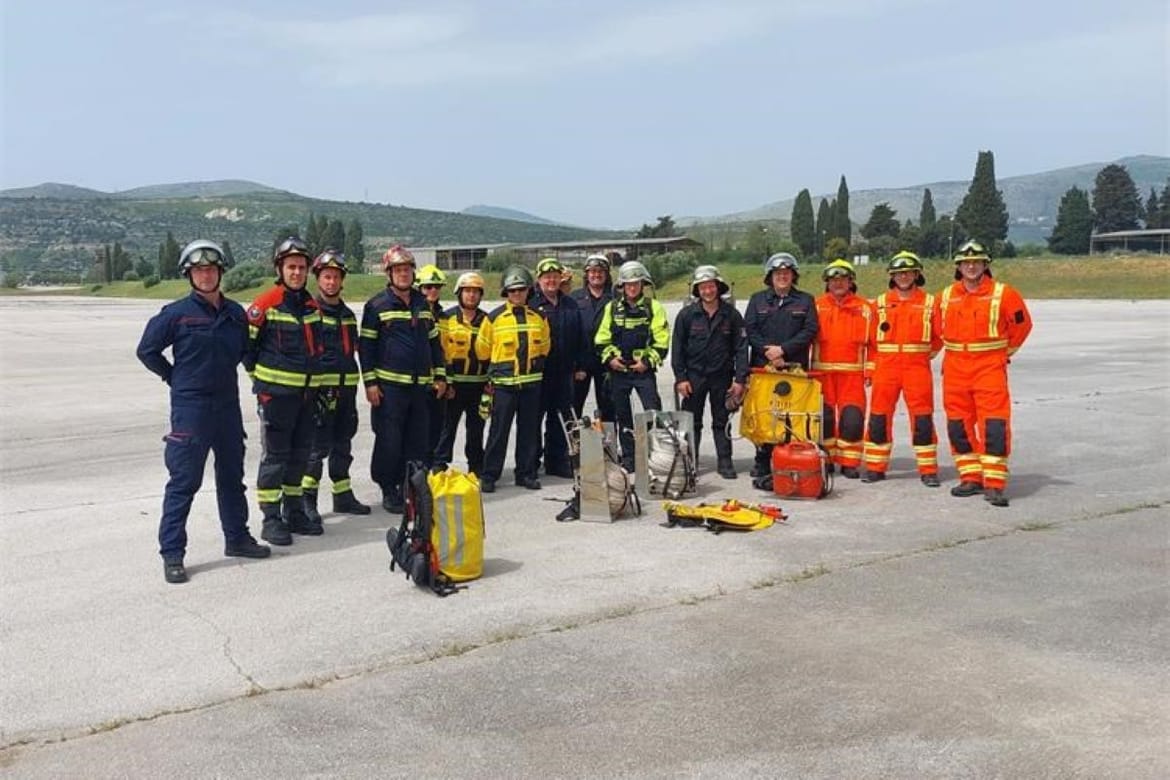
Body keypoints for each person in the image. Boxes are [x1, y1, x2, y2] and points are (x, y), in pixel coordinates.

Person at [137, 240, 270, 583]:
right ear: (189, 275)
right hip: (191, 409)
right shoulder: (176, 314)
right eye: (199, 270)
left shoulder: (235, 314)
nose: (206, 275)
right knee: (184, 482)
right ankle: (172, 553)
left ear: (220, 272)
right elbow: (147, 350)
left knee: (232, 478)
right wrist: (173, 377)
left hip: (227, 407)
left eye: (211, 269)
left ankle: (237, 538)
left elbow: (245, 352)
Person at [937, 241, 1033, 507]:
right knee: (958, 425)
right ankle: (970, 477)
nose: (971, 266)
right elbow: (934, 328)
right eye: (966, 262)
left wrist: (1004, 353)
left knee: (994, 425)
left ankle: (994, 483)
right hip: (955, 368)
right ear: (958, 266)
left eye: (976, 262)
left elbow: (1022, 326)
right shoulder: (945, 296)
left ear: (985, 265)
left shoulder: (1004, 294)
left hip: (989, 368)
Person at [244, 236, 322, 545]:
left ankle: (294, 512)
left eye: (302, 267)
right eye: (291, 267)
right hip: (276, 398)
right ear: (280, 269)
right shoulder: (265, 304)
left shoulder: (311, 306)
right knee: (275, 459)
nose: (297, 273)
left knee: (299, 457)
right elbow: (247, 349)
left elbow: (315, 350)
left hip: (306, 397)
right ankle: (271, 518)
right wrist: (263, 385)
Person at [359, 246, 447, 513]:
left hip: (419, 388)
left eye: (407, 269)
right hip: (390, 390)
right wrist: (370, 383)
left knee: (417, 441)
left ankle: (411, 488)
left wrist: (440, 375)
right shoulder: (376, 305)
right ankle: (389, 488)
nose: (403, 274)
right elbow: (366, 348)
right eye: (398, 270)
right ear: (389, 273)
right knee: (390, 442)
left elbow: (434, 344)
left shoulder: (422, 304)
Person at [300, 248, 371, 528]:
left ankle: (342, 495)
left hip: (347, 391)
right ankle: (307, 500)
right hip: (321, 392)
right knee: (316, 449)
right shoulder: (310, 312)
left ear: (342, 280)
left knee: (343, 443)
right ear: (318, 279)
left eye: (335, 277)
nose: (331, 282)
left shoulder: (348, 315)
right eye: (326, 277)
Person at [860, 251, 943, 486]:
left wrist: (923, 355)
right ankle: (875, 467)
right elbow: (871, 342)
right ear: (892, 276)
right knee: (878, 417)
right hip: (886, 368)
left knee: (922, 418)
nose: (903, 276)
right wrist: (870, 370)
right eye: (898, 273)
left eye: (908, 272)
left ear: (917, 274)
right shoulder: (879, 304)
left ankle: (928, 470)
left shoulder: (930, 303)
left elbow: (939, 337)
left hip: (917, 369)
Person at [743, 252, 819, 478]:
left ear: (793, 275)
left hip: (794, 368)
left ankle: (791, 458)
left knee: (792, 416)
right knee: (764, 415)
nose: (782, 277)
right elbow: (750, 330)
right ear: (770, 276)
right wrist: (769, 352)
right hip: (763, 369)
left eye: (786, 273)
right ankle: (762, 459)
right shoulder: (757, 300)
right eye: (778, 273)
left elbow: (810, 330)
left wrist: (783, 350)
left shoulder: (805, 300)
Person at [476, 265, 550, 493]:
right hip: (503, 388)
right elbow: (482, 351)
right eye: (512, 290)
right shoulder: (494, 319)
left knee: (528, 432)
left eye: (521, 289)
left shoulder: (539, 317)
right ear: (505, 292)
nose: (517, 294)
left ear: (529, 290)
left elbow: (545, 348)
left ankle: (525, 474)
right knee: (498, 433)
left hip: (530, 386)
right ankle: (489, 475)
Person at [671, 265, 748, 479]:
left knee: (721, 421)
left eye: (711, 286)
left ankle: (725, 462)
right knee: (691, 422)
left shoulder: (732, 315)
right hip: (693, 377)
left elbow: (742, 349)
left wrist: (740, 379)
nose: (707, 291)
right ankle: (690, 462)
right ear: (697, 290)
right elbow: (677, 349)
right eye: (703, 287)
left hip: (722, 377)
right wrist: (681, 378)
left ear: (718, 287)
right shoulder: (686, 316)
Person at [595, 260, 670, 472]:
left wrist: (646, 362)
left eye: (636, 283)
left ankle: (655, 456)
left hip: (643, 371)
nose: (632, 287)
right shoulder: (612, 308)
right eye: (628, 284)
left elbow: (662, 340)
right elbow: (601, 339)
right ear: (622, 286)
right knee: (622, 415)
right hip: (618, 372)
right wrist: (611, 359)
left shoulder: (653, 307)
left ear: (643, 284)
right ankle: (629, 459)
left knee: (653, 412)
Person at [811, 259, 873, 479]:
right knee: (824, 419)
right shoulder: (816, 307)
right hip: (822, 374)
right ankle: (826, 459)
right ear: (827, 282)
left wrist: (870, 370)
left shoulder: (865, 308)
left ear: (851, 281)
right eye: (833, 280)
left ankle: (849, 462)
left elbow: (874, 344)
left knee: (852, 419)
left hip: (852, 375)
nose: (838, 283)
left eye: (843, 279)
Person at [529, 257, 581, 479]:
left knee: (560, 419)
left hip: (564, 372)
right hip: (539, 374)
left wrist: (580, 365)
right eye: (547, 277)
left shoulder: (570, 304)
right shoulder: (531, 305)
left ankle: (556, 462)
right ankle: (531, 462)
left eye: (555, 276)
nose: (551, 281)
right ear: (539, 280)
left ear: (561, 279)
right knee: (534, 419)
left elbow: (580, 337)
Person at [435, 271, 488, 475]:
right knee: (447, 428)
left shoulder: (487, 321)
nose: (471, 295)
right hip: (454, 385)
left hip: (479, 384)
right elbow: (440, 352)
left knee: (476, 429)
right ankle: (439, 463)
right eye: (467, 291)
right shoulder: (446, 319)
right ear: (459, 293)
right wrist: (446, 382)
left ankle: (476, 465)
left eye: (476, 292)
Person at [570, 253, 615, 422]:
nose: (597, 275)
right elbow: (570, 332)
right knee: (573, 408)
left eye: (601, 271)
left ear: (607, 274)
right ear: (586, 274)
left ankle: (609, 439)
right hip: (581, 362)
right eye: (593, 271)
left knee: (609, 408)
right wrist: (575, 365)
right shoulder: (574, 298)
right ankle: (573, 439)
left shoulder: (616, 298)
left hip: (607, 362)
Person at [416, 263, 449, 466]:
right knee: (419, 430)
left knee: (437, 428)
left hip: (439, 382)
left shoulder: (445, 317)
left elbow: (446, 352)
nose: (433, 291)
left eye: (437, 287)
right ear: (419, 288)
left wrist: (446, 380)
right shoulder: (415, 314)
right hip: (419, 383)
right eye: (428, 287)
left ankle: (433, 466)